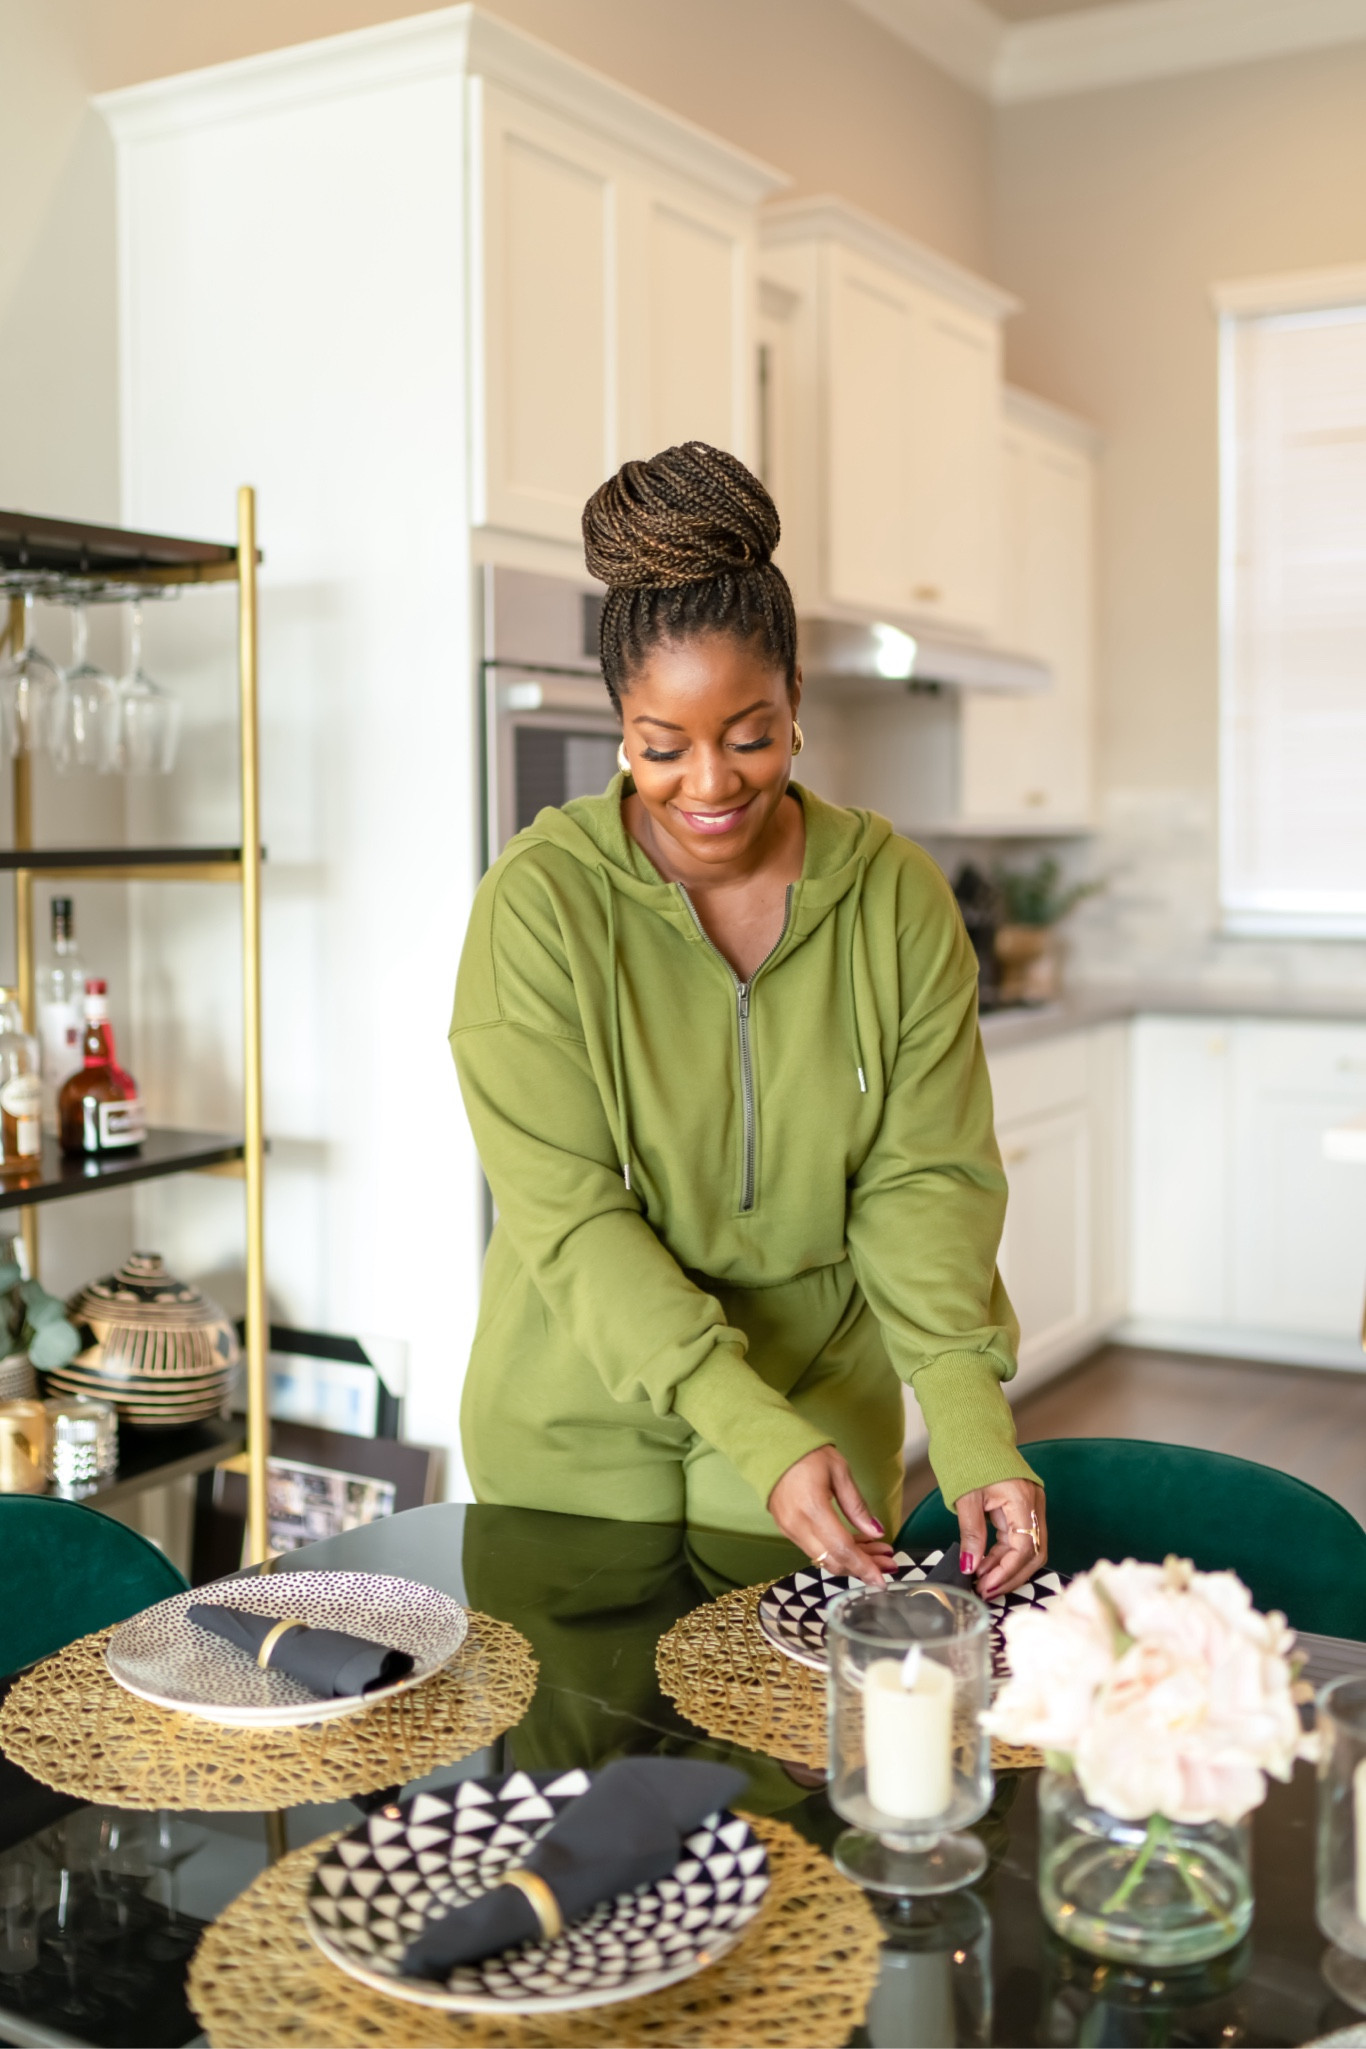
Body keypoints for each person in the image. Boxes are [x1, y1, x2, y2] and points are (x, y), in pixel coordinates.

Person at [451, 441, 1046, 1593]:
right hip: (572, 1409)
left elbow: (925, 1181)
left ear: (796, 704)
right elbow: (569, 1216)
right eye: (662, 747)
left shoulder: (894, 898)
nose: (711, 786)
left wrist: (968, 1418)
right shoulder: (539, 905)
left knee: (781, 1749)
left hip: (821, 1398)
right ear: (620, 722)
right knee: (581, 1759)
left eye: (749, 735)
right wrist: (741, 1422)